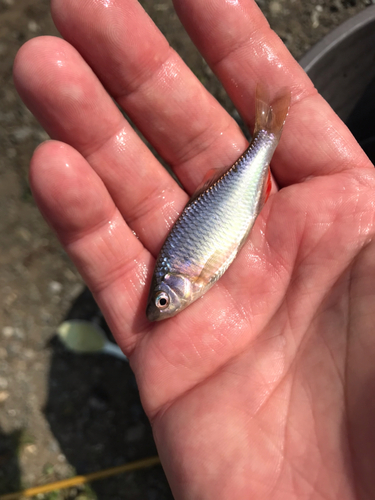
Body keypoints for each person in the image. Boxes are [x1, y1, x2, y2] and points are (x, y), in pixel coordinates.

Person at [13, 0, 375, 498]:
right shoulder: (185, 277)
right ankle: (265, 135)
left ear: (174, 286)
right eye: (163, 302)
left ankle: (266, 136)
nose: (164, 307)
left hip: (235, 199)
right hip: (239, 203)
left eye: (163, 300)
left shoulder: (186, 276)